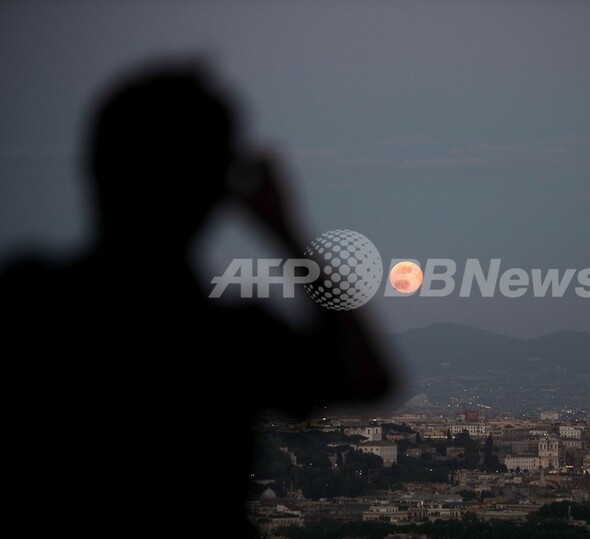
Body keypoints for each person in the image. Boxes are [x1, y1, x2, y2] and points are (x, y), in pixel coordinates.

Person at [0, 59, 395, 538]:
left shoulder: (28, 300)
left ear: (97, 169)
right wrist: (287, 233)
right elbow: (368, 376)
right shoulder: (231, 339)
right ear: (217, 188)